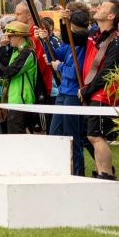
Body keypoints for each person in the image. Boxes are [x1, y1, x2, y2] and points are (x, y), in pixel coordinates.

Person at [38, 9, 91, 176]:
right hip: (63, 93)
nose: (71, 33)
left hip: (73, 94)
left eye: (72, 29)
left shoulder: (83, 45)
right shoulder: (69, 43)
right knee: (54, 133)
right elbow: (55, 54)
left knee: (73, 137)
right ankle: (58, 169)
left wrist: (59, 66)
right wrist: (45, 40)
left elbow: (76, 72)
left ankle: (77, 172)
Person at [79, 0, 119, 180]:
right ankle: (101, 173)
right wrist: (64, 20)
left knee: (96, 135)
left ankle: (106, 174)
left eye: (103, 7)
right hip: (95, 92)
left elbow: (107, 70)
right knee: (92, 136)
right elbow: (71, 37)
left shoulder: (117, 41)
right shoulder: (94, 34)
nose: (98, 7)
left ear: (111, 15)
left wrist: (88, 89)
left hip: (104, 93)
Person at [0, 21, 39, 134]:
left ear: (18, 36)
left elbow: (9, 71)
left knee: (18, 140)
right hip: (13, 102)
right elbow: (12, 78)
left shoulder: (28, 53)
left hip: (22, 103)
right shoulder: (16, 52)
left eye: (10, 36)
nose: (8, 39)